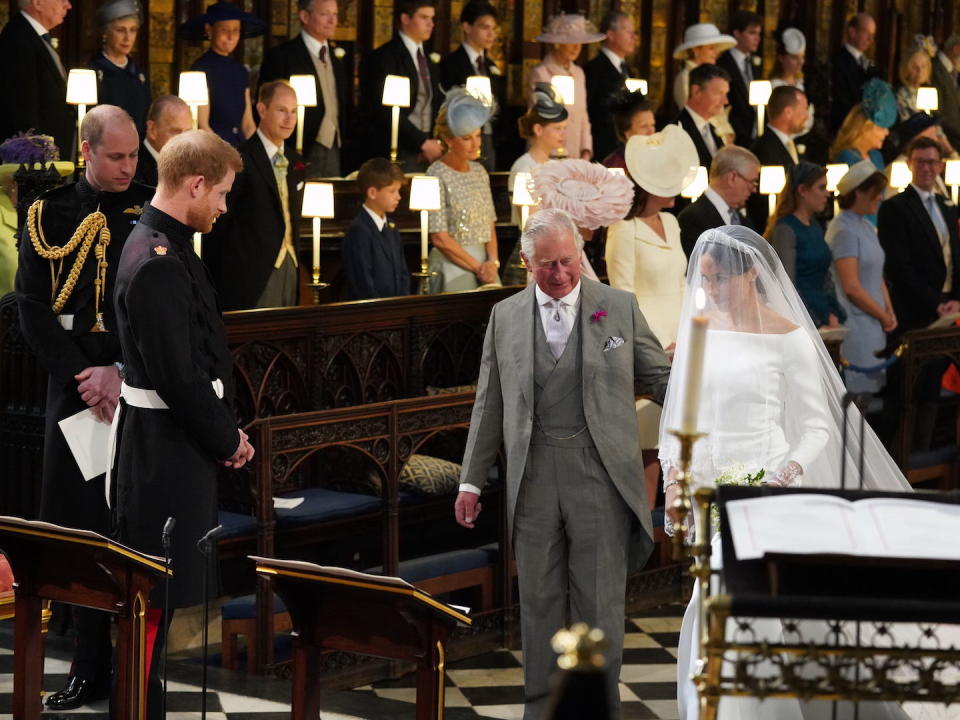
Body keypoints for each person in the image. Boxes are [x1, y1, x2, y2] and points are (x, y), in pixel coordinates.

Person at [660, 225, 912, 720]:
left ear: (751, 274)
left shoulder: (789, 338)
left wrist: (780, 477)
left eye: (719, 281)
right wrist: (673, 480)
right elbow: (681, 417)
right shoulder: (700, 329)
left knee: (736, 607)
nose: (710, 291)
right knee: (711, 604)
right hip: (709, 491)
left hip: (767, 490)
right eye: (705, 281)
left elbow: (817, 426)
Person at [455, 207, 671, 720]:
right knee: (539, 601)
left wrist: (705, 417)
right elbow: (489, 404)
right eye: (547, 265)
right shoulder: (504, 317)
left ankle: (599, 707)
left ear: (581, 254)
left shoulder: (616, 307)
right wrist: (470, 481)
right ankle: (541, 709)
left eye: (568, 261)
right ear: (526, 263)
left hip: (599, 473)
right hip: (531, 477)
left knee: (599, 602)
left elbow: (662, 379)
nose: (560, 274)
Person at [14, 105, 151, 711]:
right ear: (87, 149)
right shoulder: (48, 212)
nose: (128, 167)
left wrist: (118, 373)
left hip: (133, 389)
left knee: (126, 528)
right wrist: (81, 375)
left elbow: (153, 310)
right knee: (76, 530)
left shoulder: (151, 210)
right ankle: (84, 665)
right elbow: (31, 307)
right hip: (72, 391)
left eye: (134, 155)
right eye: (116, 156)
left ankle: (128, 667)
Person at [112, 129, 252, 720]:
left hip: (175, 444)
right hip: (165, 450)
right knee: (154, 597)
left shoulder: (166, 243)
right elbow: (179, 375)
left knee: (167, 600)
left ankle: (149, 704)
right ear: (194, 184)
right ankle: (137, 709)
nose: (222, 206)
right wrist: (226, 439)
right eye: (219, 193)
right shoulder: (158, 262)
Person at [606, 125, 698, 507]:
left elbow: (683, 283)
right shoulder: (622, 229)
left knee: (683, 440)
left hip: (682, 337)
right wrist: (655, 346)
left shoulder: (673, 223)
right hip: (649, 344)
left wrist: (689, 335)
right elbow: (622, 296)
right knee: (648, 445)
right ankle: (643, 535)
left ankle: (679, 534)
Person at [878, 136, 960, 450]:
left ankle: (923, 456)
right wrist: (935, 302)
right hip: (914, 312)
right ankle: (897, 462)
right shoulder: (895, 207)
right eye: (921, 162)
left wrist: (955, 297)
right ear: (910, 164)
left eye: (932, 162)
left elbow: (955, 256)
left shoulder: (946, 204)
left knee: (930, 391)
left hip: (945, 310)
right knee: (905, 393)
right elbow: (899, 266)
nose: (927, 168)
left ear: (940, 165)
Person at [206, 80, 305, 310]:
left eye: (293, 111)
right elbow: (221, 224)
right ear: (261, 109)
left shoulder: (297, 161)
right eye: (281, 110)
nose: (289, 119)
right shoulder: (240, 159)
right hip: (250, 272)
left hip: (290, 265)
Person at [258, 0, 351, 178]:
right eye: (325, 14)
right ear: (305, 16)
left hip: (335, 149)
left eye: (335, 14)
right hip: (297, 147)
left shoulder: (336, 59)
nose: (333, 21)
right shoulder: (283, 56)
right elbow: (266, 105)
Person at [826, 159, 893, 398]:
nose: (881, 198)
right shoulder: (843, 230)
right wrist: (882, 313)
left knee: (867, 401)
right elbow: (852, 286)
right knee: (856, 402)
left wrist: (889, 310)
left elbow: (877, 273)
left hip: (873, 320)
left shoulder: (865, 226)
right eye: (876, 193)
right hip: (857, 325)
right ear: (859, 192)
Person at [426, 89, 499, 292]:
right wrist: (478, 268)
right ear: (449, 140)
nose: (476, 144)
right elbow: (440, 237)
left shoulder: (480, 172)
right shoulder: (435, 173)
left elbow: (489, 225)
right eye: (467, 138)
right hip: (451, 264)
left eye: (478, 135)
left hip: (485, 265)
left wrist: (493, 262)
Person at [359, 0, 442, 172]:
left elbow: (433, 102)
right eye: (424, 17)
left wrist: (432, 142)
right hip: (397, 146)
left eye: (432, 18)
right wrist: (421, 142)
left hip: (429, 148)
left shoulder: (429, 58)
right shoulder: (385, 57)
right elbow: (384, 109)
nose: (431, 24)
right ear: (405, 18)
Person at [767, 161, 845, 329]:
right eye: (821, 188)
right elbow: (788, 285)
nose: (827, 194)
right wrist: (814, 322)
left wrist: (832, 313)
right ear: (802, 190)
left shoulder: (815, 226)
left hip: (823, 315)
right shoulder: (786, 229)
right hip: (803, 319)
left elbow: (825, 277)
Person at [180, 1, 265, 147]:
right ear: (209, 30)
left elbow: (248, 124)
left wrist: (258, 153)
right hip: (213, 148)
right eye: (225, 30)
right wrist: (225, 153)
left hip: (240, 147)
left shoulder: (240, 71)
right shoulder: (200, 69)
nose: (231, 37)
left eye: (236, 30)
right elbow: (202, 124)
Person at [0, 0, 75, 158]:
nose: (68, 5)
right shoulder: (18, 40)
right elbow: (22, 111)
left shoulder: (33, 36)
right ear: (38, 2)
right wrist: (38, 160)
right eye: (62, 0)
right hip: (34, 162)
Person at [439, 1, 505, 172]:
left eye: (493, 28)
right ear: (467, 27)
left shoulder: (491, 66)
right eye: (484, 27)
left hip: (488, 138)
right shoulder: (451, 63)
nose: (491, 34)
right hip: (462, 138)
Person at [528, 13, 604, 161]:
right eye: (571, 41)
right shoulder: (541, 73)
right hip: (548, 154)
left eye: (580, 42)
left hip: (576, 153)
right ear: (557, 43)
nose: (576, 47)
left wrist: (586, 149)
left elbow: (583, 116)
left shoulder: (579, 73)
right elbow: (541, 118)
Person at [342, 158, 410, 300]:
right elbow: (363, 283)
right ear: (372, 193)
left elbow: (403, 273)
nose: (398, 197)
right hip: (373, 313)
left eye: (398, 191)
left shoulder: (391, 227)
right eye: (392, 191)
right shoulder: (359, 231)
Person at [677, 145, 758, 257]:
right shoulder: (691, 218)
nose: (754, 189)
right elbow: (697, 269)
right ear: (732, 178)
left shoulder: (743, 220)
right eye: (752, 182)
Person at [746, 85, 808, 229]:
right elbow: (762, 202)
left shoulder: (787, 143)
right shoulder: (765, 148)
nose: (807, 116)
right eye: (804, 109)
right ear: (788, 112)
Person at [90, 0, 151, 138]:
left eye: (133, 30)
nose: (127, 38)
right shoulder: (92, 72)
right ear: (105, 33)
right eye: (120, 30)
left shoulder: (139, 75)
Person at [584, 11, 637, 163]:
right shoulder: (594, 69)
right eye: (628, 32)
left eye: (634, 33)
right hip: (603, 151)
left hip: (626, 149)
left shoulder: (628, 71)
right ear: (611, 35)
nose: (634, 37)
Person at [671, 23, 736, 144]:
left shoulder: (715, 77)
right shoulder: (685, 78)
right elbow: (695, 113)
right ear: (696, 50)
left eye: (716, 48)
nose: (715, 53)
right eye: (711, 48)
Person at [716, 10, 763, 145]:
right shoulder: (723, 63)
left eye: (759, 34)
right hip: (734, 134)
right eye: (752, 33)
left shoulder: (754, 64)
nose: (757, 38)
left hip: (753, 133)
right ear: (737, 33)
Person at [831, 12, 881, 131]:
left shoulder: (870, 65)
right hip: (847, 126)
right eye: (866, 33)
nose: (870, 39)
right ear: (852, 32)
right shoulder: (839, 61)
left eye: (872, 35)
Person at [676, 63, 731, 168]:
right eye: (719, 93)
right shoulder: (677, 129)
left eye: (726, 94)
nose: (725, 101)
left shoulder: (712, 129)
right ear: (696, 92)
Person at [136, 95, 193, 187]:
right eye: (175, 132)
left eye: (188, 132)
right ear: (152, 130)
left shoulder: (195, 163)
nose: (184, 140)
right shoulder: (133, 168)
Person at [600, 88, 655, 170]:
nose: (651, 132)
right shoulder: (615, 166)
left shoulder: (655, 159)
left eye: (652, 125)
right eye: (644, 126)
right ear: (627, 133)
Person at [931, 34, 960, 150]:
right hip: (945, 143)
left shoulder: (954, 72)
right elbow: (935, 113)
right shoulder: (934, 69)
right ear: (957, 49)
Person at [894, 40, 935, 121]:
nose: (919, 71)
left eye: (923, 66)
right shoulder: (901, 94)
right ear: (906, 69)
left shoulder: (928, 94)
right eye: (914, 67)